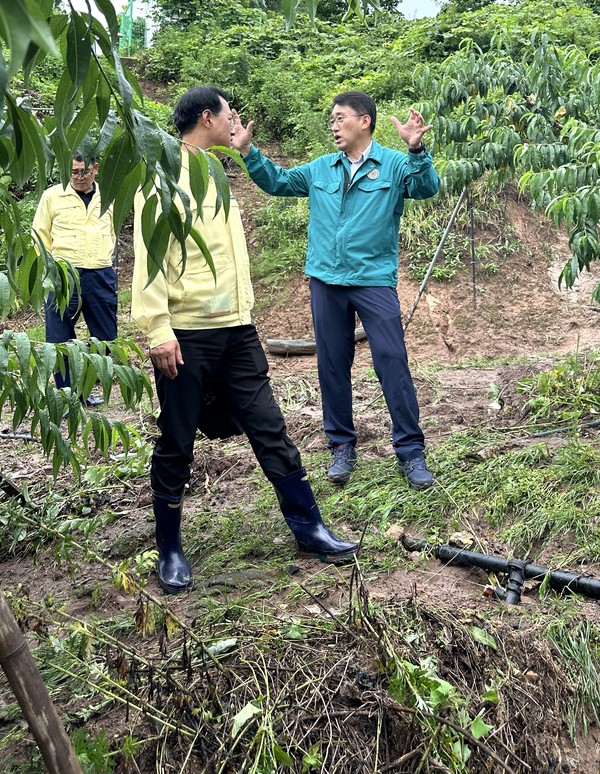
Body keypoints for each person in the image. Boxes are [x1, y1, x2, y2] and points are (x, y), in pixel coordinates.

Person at [131, 86, 357, 595]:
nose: (233, 122)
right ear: (206, 117)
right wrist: (159, 329)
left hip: (237, 331)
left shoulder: (216, 172)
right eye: (228, 114)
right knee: (177, 441)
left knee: (269, 427)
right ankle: (169, 549)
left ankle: (309, 527)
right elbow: (149, 258)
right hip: (186, 333)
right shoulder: (163, 177)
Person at [232, 91, 440, 490]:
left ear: (364, 121)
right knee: (331, 365)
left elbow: (427, 187)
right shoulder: (321, 169)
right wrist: (248, 152)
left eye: (340, 118)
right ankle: (342, 446)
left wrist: (416, 149)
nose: (333, 125)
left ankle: (411, 451)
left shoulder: (395, 165)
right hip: (326, 282)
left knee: (392, 360)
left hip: (373, 279)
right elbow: (277, 182)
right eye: (331, 119)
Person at [32, 152, 118, 405]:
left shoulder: (109, 196)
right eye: (74, 172)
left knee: (105, 339)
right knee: (60, 338)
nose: (79, 177)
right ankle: (66, 396)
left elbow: (112, 231)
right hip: (64, 275)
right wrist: (52, 272)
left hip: (100, 273)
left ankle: (86, 388)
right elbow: (39, 235)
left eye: (85, 171)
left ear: (96, 169)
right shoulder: (52, 195)